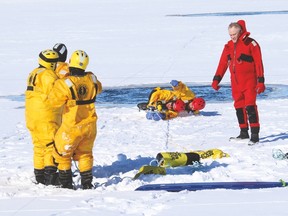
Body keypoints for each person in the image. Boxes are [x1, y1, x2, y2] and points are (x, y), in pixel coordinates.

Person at [48, 50, 102, 189]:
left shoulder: (65, 83)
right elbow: (98, 87)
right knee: (85, 154)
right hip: (90, 126)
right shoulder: (92, 79)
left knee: (63, 155)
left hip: (71, 127)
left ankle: (66, 185)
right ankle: (87, 184)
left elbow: (53, 101)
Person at [211, 20, 265, 145]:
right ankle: (244, 132)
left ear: (240, 31)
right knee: (239, 106)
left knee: (250, 106)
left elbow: (258, 63)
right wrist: (216, 79)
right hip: (235, 83)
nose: (232, 37)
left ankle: (255, 135)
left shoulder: (251, 44)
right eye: (230, 35)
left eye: (234, 34)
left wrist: (261, 81)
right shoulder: (228, 46)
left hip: (249, 81)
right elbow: (222, 64)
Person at [25, 49, 61, 185]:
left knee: (38, 145)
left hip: (31, 116)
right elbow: (56, 94)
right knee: (50, 145)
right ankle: (50, 176)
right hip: (45, 116)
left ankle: (39, 175)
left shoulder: (34, 72)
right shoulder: (48, 75)